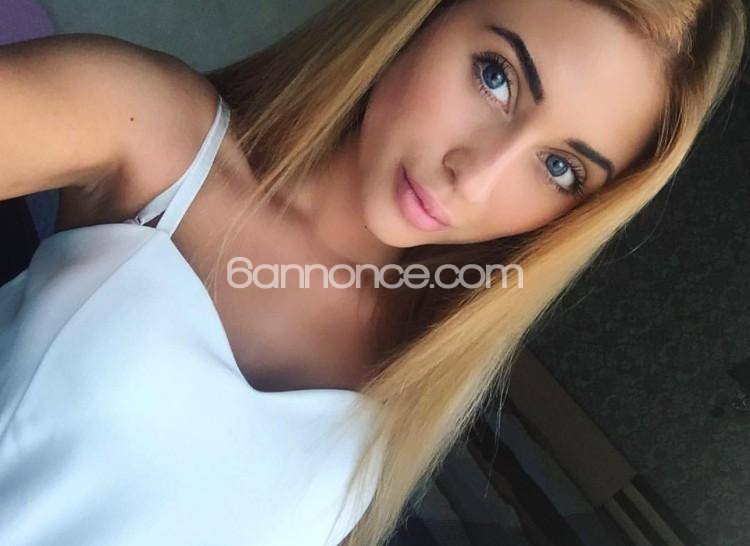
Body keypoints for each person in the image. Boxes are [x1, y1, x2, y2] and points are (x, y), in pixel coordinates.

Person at [0, 0, 745, 545]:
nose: (475, 178)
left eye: (558, 167)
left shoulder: (421, 371)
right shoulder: (149, 132)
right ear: (424, 17)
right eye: (496, 77)